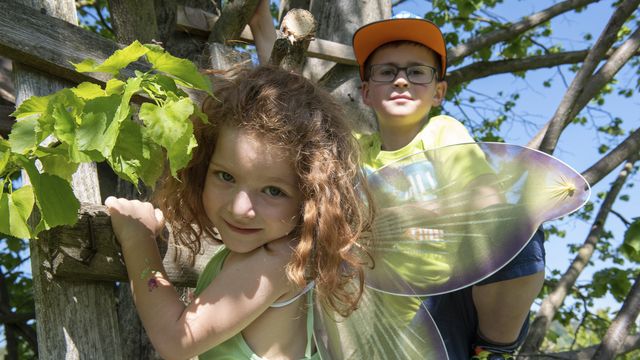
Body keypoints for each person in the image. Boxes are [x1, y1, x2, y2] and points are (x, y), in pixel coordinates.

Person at [105, 65, 373, 359]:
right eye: (226, 177)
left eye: (273, 191)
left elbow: (176, 340)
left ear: (309, 201)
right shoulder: (266, 255)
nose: (240, 208)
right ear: (202, 168)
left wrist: (138, 240)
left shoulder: (278, 262)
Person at [351, 12, 546, 360]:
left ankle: (492, 346)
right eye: (386, 71)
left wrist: (410, 215)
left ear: (439, 92)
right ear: (366, 92)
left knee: (516, 219)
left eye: (415, 72)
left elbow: (487, 201)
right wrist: (265, 30)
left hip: (447, 303)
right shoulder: (356, 150)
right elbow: (295, 124)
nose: (400, 81)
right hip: (376, 314)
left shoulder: (442, 133)